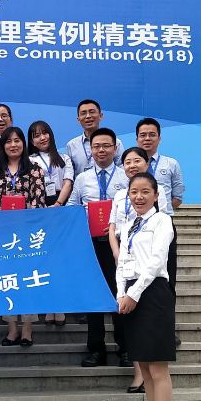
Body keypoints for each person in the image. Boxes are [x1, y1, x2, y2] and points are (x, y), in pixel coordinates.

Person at [115, 172, 176, 401]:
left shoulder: (162, 221)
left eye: (145, 192)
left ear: (156, 195)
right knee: (144, 367)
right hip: (130, 294)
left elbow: (155, 262)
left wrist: (134, 294)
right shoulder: (128, 225)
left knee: (158, 367)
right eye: (134, 192)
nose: (139, 197)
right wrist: (121, 293)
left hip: (153, 294)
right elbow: (122, 262)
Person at [67, 128, 130, 368]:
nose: (101, 150)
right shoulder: (82, 179)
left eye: (106, 146)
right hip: (90, 245)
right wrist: (84, 219)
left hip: (119, 245)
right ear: (91, 150)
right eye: (96, 146)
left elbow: (133, 208)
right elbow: (72, 206)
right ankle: (96, 349)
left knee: (119, 294)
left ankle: (125, 348)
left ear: (115, 148)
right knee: (93, 295)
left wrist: (117, 225)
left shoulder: (126, 177)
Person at [0, 127, 47, 346]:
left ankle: (27, 328)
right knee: (7, 281)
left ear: (24, 143)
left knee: (27, 280)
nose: (13, 145)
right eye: (8, 141)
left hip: (27, 235)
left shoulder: (35, 169)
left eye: (17, 140)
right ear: (2, 146)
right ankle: (11, 328)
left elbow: (39, 202)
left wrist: (24, 223)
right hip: (3, 235)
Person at [135, 117, 184, 348]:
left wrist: (157, 215)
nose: (147, 138)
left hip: (163, 227)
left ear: (159, 138)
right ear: (137, 138)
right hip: (137, 230)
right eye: (143, 135)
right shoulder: (131, 163)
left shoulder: (170, 164)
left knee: (167, 280)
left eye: (151, 134)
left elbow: (177, 196)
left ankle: (167, 330)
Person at [107, 147, 151, 392]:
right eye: (127, 162)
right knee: (128, 317)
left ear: (146, 163)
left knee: (146, 317)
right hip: (124, 260)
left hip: (146, 259)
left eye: (137, 161)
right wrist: (117, 254)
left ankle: (151, 372)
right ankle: (138, 373)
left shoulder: (155, 191)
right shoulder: (119, 195)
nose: (132, 165)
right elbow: (113, 227)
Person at [26, 120, 74, 326]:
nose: (42, 138)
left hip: (60, 209)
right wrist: (40, 208)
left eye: (45, 133)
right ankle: (47, 304)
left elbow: (68, 182)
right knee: (42, 260)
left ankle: (60, 305)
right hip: (38, 211)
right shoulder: (28, 160)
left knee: (60, 260)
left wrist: (59, 204)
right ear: (32, 141)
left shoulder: (64, 158)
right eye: (36, 135)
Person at [65, 99, 125, 176]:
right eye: (83, 113)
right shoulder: (71, 145)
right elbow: (70, 174)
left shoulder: (115, 142)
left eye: (92, 112)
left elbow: (122, 167)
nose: (88, 116)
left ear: (101, 116)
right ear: (78, 119)